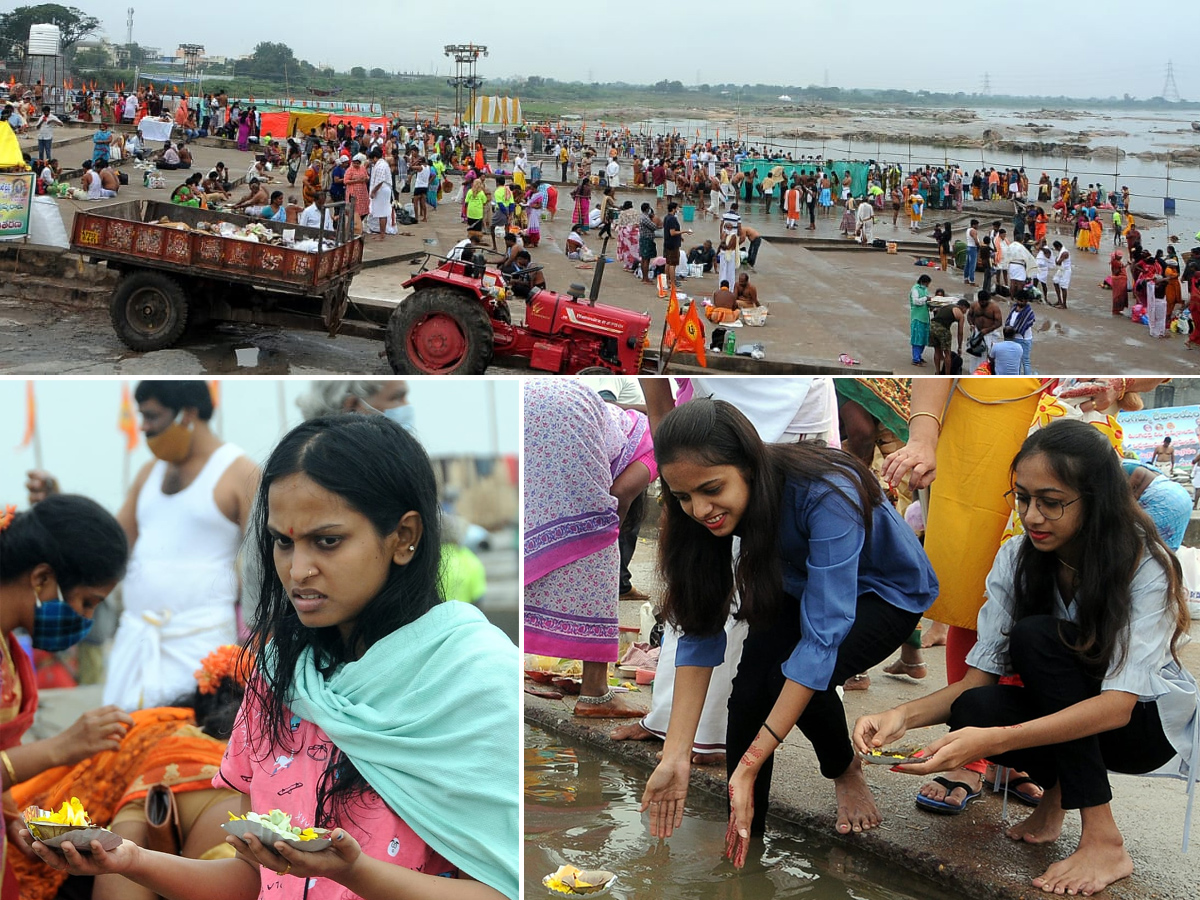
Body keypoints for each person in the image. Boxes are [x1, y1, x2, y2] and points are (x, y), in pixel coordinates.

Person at [23, 415, 519, 900]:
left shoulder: (476, 677)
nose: (298, 570)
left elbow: (508, 887)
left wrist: (357, 874)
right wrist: (129, 860)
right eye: (283, 542)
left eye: (328, 541)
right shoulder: (280, 673)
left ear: (404, 538)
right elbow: (251, 881)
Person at [857, 420, 1196, 897]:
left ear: (1096, 500)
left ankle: (1104, 839)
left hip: (1139, 728)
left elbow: (1117, 706)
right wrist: (899, 716)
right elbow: (977, 682)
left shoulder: (1146, 565)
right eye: (1022, 498)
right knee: (974, 709)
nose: (1032, 516)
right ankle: (1056, 795)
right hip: (1077, 711)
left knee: (1038, 637)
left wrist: (993, 739)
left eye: (1051, 502)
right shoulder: (1016, 558)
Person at [640, 399, 937, 861]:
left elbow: (822, 638)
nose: (699, 509)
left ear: (750, 465)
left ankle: (843, 769)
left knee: (799, 678)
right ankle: (742, 849)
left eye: (712, 489)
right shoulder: (694, 509)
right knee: (749, 697)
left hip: (882, 589)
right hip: (796, 580)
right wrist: (674, 757)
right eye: (682, 496)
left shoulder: (826, 491)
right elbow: (699, 630)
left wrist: (749, 764)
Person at [27, 382, 259, 713]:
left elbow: (262, 567)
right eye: (141, 417)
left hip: (202, 645)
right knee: (119, 746)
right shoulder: (149, 473)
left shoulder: (241, 472)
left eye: (151, 416)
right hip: (135, 642)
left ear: (188, 414)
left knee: (187, 752)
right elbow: (110, 545)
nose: (144, 427)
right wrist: (60, 507)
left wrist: (254, 645)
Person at [0, 497, 135, 898]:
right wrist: (62, 747)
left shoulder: (9, 649)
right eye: (87, 602)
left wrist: (11, 817)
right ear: (42, 578)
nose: (88, 619)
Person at [524, 380, 654, 720]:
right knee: (598, 539)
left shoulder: (618, 421)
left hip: (522, 402)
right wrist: (606, 534)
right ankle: (595, 694)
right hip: (567, 412)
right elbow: (621, 497)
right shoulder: (655, 442)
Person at [929, 298, 969, 375]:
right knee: (947, 354)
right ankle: (947, 375)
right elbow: (960, 332)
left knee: (937, 351)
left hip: (932, 326)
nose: (965, 312)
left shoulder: (948, 306)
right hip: (942, 329)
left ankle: (937, 372)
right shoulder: (960, 314)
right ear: (963, 307)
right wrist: (960, 347)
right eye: (966, 310)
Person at [1006, 291, 1037, 375]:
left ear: (1026, 301)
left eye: (1022, 301)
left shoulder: (1028, 312)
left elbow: (1023, 325)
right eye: (1018, 300)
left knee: (1025, 361)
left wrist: (1012, 330)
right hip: (1014, 338)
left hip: (1024, 340)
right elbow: (1009, 320)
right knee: (1017, 361)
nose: (1019, 302)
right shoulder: (1013, 308)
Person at [367, 147, 392, 242]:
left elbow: (380, 181)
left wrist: (373, 191)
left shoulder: (381, 165)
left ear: (374, 158)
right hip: (382, 190)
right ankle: (382, 234)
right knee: (382, 212)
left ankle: (382, 235)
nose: (371, 162)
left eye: (371, 159)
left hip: (381, 190)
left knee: (382, 213)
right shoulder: (380, 164)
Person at [662, 202, 689, 287]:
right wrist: (684, 231)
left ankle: (667, 281)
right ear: (674, 209)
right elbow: (672, 232)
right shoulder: (672, 219)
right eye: (677, 208)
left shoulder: (666, 217)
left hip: (667, 243)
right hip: (673, 245)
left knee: (668, 263)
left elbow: (669, 231)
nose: (678, 210)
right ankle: (672, 284)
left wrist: (680, 236)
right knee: (672, 265)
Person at [908, 274, 932, 367]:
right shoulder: (915, 289)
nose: (927, 286)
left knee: (923, 338)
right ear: (923, 282)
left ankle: (919, 356)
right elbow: (916, 301)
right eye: (927, 284)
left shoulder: (925, 289)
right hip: (917, 317)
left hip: (925, 317)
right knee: (917, 338)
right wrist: (926, 298)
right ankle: (916, 358)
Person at [638, 203, 661, 284]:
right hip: (647, 239)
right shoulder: (645, 218)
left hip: (643, 238)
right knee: (646, 259)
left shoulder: (642, 217)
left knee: (644, 259)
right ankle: (645, 278)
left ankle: (644, 277)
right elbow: (654, 227)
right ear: (647, 209)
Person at [1052, 241, 1072, 308]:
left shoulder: (1064, 253)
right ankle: (1059, 301)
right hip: (1061, 270)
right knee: (1055, 281)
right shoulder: (1061, 251)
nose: (1055, 249)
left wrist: (1055, 260)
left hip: (1066, 271)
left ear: (1058, 247)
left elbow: (1058, 262)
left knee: (1063, 287)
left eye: (1055, 248)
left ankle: (1064, 304)